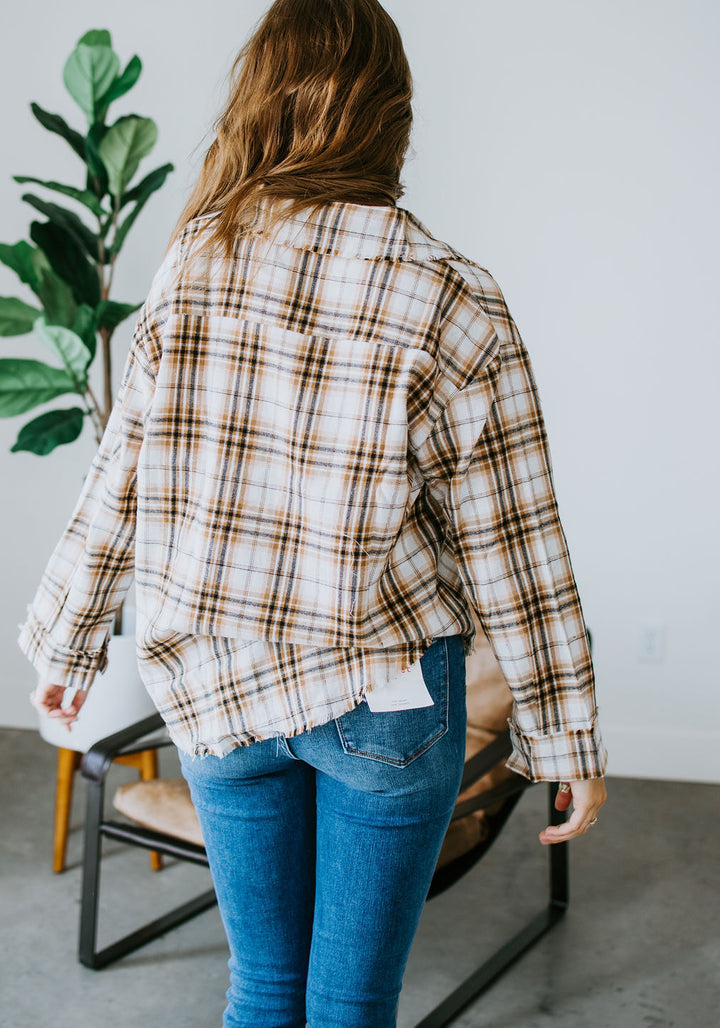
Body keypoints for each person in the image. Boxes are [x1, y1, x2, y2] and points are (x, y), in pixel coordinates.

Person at [21, 1, 608, 1025]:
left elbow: (122, 472)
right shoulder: (451, 295)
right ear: (396, 115)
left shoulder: (194, 260)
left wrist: (63, 640)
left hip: (217, 686)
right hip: (378, 692)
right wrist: (566, 739)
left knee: (263, 986)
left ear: (262, 103)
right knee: (350, 1000)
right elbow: (518, 543)